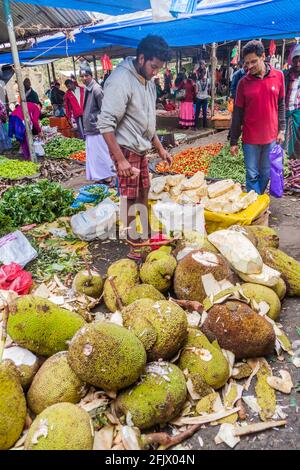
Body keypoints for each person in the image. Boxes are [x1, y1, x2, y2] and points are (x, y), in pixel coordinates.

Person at [98, 35, 172, 259]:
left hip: (141, 148)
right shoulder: (121, 80)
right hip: (125, 148)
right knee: (129, 198)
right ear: (141, 58)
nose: (155, 72)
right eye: (153, 66)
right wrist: (119, 159)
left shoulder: (148, 82)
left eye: (159, 68)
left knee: (144, 191)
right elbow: (105, 124)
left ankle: (146, 233)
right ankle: (133, 245)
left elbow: (148, 124)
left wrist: (160, 149)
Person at [230, 40, 286, 194]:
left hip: (271, 137)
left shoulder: (279, 76)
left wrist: (282, 129)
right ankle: (254, 204)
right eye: (247, 63)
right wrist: (233, 141)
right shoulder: (243, 83)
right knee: (252, 174)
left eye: (253, 61)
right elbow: (237, 114)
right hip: (250, 140)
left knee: (266, 173)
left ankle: (257, 200)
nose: (250, 66)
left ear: (263, 56)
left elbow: (281, 105)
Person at [80, 65, 115, 184]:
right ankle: (101, 176)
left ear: (91, 76)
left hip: (97, 128)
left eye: (86, 76)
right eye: (82, 76)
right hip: (90, 128)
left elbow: (104, 109)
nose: (84, 78)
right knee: (95, 155)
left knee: (103, 153)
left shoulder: (96, 89)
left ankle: (109, 176)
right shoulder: (87, 89)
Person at [284, 44, 300, 159]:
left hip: (297, 113)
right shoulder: (285, 75)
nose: (298, 64)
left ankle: (292, 160)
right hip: (284, 112)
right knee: (282, 138)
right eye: (295, 61)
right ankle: (284, 159)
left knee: (295, 140)